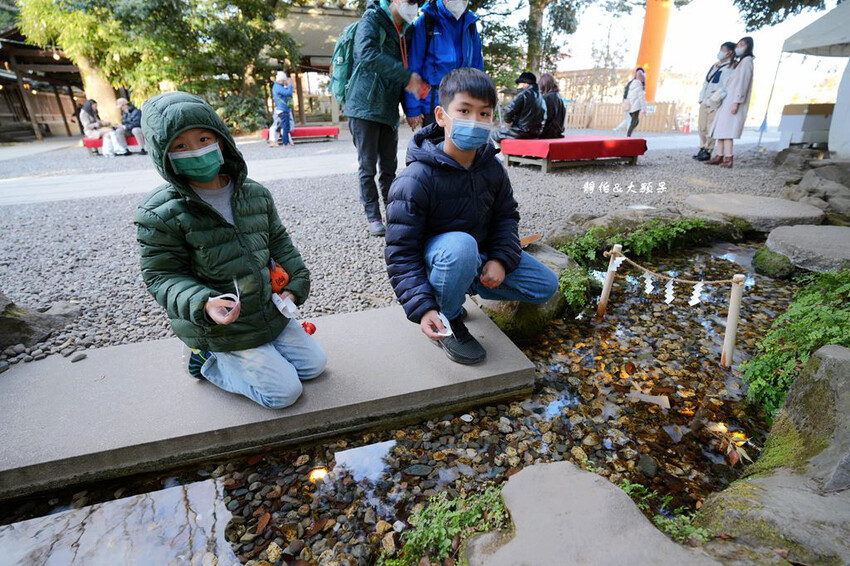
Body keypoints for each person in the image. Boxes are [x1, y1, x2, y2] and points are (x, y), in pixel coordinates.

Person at [134, 92, 326, 409]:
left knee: (314, 366)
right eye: (180, 146)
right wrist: (203, 304)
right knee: (283, 393)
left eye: (204, 138)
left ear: (221, 140)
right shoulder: (159, 213)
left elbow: (279, 241)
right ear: (164, 154)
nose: (196, 151)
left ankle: (263, 352)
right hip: (222, 325)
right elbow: (161, 275)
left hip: (269, 310)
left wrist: (295, 286)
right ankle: (207, 360)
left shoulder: (255, 194)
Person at [385, 68, 559, 365]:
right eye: (464, 110)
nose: (474, 121)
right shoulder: (414, 180)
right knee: (460, 248)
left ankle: (459, 284)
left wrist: (500, 260)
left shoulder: (492, 169)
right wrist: (424, 308)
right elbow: (401, 254)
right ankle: (447, 317)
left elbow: (506, 217)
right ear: (441, 116)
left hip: (474, 257)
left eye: (484, 113)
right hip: (440, 259)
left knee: (545, 285)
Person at [345, 0, 425, 237]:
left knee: (389, 167)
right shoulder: (372, 19)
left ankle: (393, 213)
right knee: (367, 166)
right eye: (411, 2)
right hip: (364, 108)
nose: (414, 7)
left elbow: (402, 75)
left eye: (418, 3)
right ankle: (372, 216)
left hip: (388, 110)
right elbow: (365, 54)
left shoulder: (407, 32)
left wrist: (409, 110)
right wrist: (406, 76)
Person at [403, 0, 484, 130]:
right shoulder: (426, 22)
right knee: (433, 149)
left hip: (464, 105)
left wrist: (481, 102)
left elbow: (477, 68)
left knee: (460, 149)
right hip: (433, 105)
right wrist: (413, 109)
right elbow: (414, 67)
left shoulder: (470, 25)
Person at [708, 36, 755, 168]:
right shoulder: (741, 62)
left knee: (727, 131)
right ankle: (720, 155)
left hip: (733, 100)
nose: (738, 47)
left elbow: (743, 83)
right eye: (738, 44)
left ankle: (728, 158)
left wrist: (736, 101)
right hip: (728, 100)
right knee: (722, 129)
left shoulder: (747, 61)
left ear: (748, 47)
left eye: (742, 45)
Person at [693, 42, 735, 161]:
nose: (720, 52)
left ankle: (708, 150)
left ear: (730, 52)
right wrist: (701, 98)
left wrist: (715, 100)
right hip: (704, 100)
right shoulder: (715, 66)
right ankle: (701, 147)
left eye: (723, 49)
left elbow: (726, 87)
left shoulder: (730, 67)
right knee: (701, 126)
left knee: (710, 127)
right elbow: (706, 82)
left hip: (715, 102)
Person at [490, 71, 547, 144]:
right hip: (537, 132)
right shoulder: (541, 97)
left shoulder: (524, 94)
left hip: (523, 132)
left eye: (519, 83)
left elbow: (509, 111)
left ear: (525, 83)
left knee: (495, 134)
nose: (518, 86)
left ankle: (506, 154)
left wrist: (508, 121)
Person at [269, 71, 294, 147]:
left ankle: (286, 141)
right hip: (281, 109)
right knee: (279, 125)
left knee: (283, 126)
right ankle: (278, 141)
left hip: (283, 109)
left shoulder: (279, 86)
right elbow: (288, 93)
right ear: (281, 80)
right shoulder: (278, 87)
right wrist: (290, 85)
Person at [538, 73, 565, 139]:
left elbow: (546, 117)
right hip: (557, 132)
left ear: (543, 85)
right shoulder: (559, 97)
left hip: (548, 134)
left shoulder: (548, 97)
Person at [622, 67, 647, 138]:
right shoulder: (640, 84)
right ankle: (628, 135)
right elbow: (641, 97)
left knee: (635, 121)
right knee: (634, 121)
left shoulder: (631, 82)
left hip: (629, 103)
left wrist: (625, 100)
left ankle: (628, 134)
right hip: (635, 104)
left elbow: (626, 92)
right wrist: (644, 108)